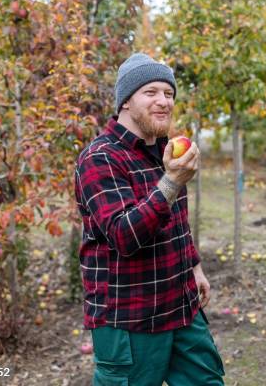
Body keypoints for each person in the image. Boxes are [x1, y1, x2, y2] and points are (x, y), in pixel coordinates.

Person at [74, 53, 224, 386]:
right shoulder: (100, 158)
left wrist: (195, 268)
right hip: (130, 318)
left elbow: (178, 222)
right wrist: (170, 182)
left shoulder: (168, 151)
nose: (164, 101)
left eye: (169, 94)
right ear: (126, 101)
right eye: (151, 92)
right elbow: (124, 236)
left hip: (181, 308)